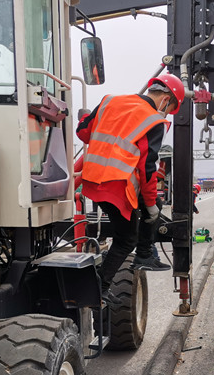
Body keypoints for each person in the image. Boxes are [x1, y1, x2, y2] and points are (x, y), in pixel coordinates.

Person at [76, 73, 185, 306]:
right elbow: (147, 169)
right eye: (169, 109)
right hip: (117, 186)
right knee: (127, 238)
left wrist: (89, 119)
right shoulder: (153, 121)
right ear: (165, 100)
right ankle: (101, 286)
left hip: (92, 181)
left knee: (136, 221)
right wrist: (151, 205)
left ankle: (144, 256)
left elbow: (83, 132)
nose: (166, 114)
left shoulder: (108, 101)